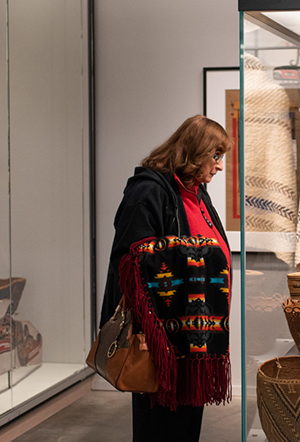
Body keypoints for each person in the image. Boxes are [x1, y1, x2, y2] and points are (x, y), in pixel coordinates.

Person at [100, 115, 233, 442]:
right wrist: (192, 253)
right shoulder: (148, 192)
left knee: (187, 426)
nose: (219, 166)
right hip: (160, 339)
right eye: (215, 157)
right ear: (195, 152)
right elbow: (129, 259)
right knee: (160, 427)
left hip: (193, 340)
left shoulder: (197, 193)